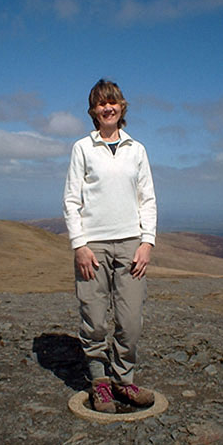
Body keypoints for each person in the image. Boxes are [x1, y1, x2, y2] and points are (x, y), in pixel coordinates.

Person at [63, 78, 157, 413]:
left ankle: (124, 380)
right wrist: (80, 246)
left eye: (113, 102)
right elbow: (72, 200)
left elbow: (148, 200)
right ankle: (100, 383)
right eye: (101, 103)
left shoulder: (137, 149)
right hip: (93, 245)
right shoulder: (82, 148)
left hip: (131, 243)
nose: (108, 107)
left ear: (122, 106)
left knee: (130, 321)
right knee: (94, 318)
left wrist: (147, 243)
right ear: (93, 111)